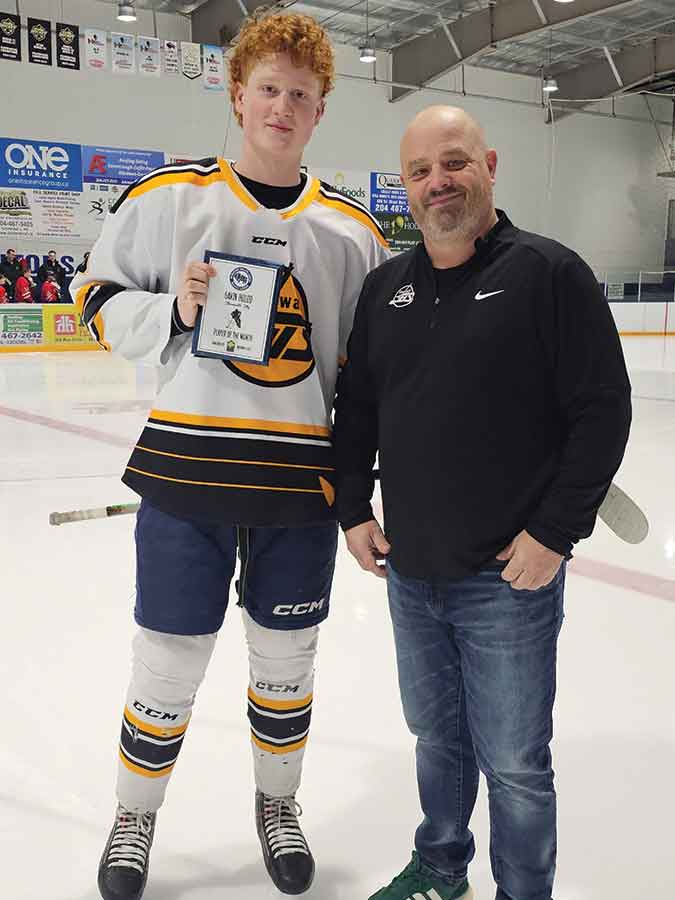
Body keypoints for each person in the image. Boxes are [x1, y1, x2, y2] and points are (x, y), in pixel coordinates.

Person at [69, 10, 388, 900]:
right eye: (269, 89)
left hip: (297, 484)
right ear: (236, 93)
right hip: (186, 473)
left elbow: (372, 373)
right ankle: (135, 814)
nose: (282, 107)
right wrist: (172, 309)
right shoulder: (170, 197)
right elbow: (91, 295)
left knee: (288, 660)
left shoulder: (352, 233)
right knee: (166, 661)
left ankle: (277, 804)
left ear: (320, 111)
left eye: (301, 95)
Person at [334, 105, 631, 900]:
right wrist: (353, 508)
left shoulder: (547, 273)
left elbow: (602, 411)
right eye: (421, 172)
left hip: (508, 580)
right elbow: (357, 408)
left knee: (515, 763)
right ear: (405, 187)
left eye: (454, 163)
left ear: (490, 164)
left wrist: (553, 532)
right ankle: (440, 866)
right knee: (435, 739)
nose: (439, 183)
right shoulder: (384, 288)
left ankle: (521, 892)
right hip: (412, 571)